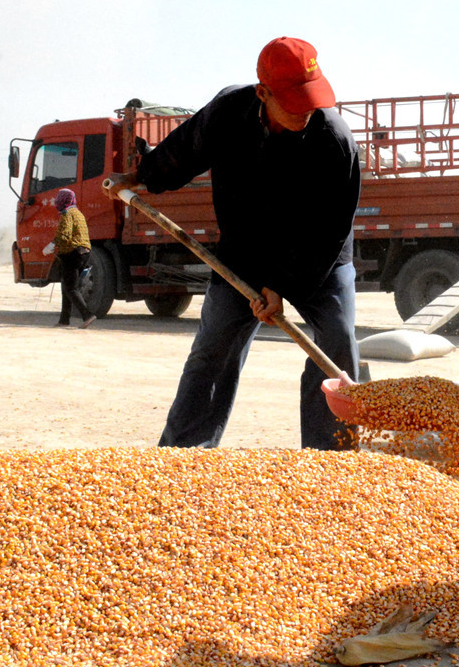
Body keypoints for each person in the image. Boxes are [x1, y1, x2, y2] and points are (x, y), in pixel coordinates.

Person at [109, 37, 366, 450]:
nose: (306, 110)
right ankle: (184, 454)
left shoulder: (333, 138)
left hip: (317, 258)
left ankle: (331, 458)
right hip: (243, 254)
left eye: (311, 97)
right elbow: (185, 150)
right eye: (294, 100)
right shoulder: (229, 110)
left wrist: (284, 285)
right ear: (263, 93)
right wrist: (140, 177)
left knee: (337, 344)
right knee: (213, 350)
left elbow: (330, 227)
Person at [47, 189, 94, 328]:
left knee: (71, 288)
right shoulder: (78, 213)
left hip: (72, 253)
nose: (57, 200)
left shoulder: (66, 214)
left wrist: (52, 244)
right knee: (66, 286)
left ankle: (87, 315)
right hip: (84, 253)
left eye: (59, 198)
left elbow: (64, 235)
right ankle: (64, 320)